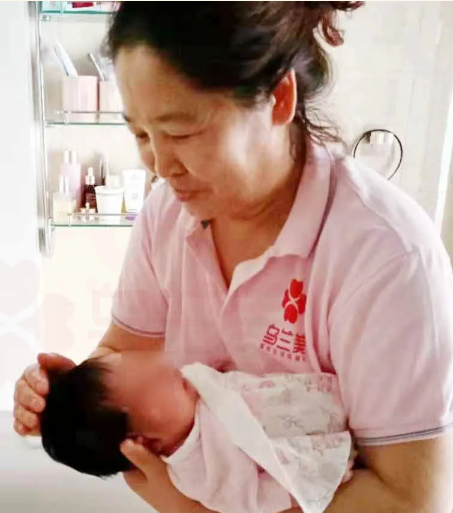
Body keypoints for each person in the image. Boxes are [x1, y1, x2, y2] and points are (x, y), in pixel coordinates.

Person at [13, 2, 453, 513]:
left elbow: (411, 500)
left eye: (181, 133)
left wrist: (194, 510)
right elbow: (123, 352)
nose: (160, 165)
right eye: (140, 134)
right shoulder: (166, 215)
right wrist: (75, 395)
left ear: (279, 98)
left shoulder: (386, 258)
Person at [40, 351, 354, 513]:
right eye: (150, 382)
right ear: (140, 442)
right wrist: (308, 482)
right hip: (327, 438)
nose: (164, 364)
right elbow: (252, 501)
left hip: (328, 394)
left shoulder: (190, 395)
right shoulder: (198, 469)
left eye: (145, 362)